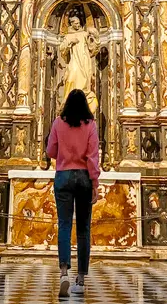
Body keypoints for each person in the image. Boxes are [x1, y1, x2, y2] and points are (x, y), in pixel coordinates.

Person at [46, 89, 100, 298]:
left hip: (63, 176)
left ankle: (63, 273)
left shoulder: (58, 123)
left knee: (64, 224)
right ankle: (81, 280)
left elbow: (51, 151)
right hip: (84, 177)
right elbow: (92, 156)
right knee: (84, 228)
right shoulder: (90, 125)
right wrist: (94, 182)